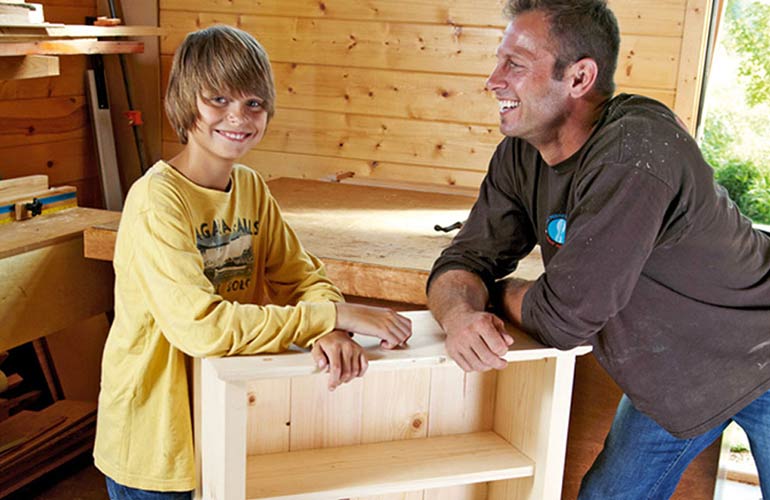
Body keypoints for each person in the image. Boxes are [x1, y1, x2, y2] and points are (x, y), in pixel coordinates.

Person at [426, 1, 770, 498]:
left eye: (515, 64)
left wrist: (496, 295)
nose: (493, 80)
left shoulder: (636, 149)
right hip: (671, 374)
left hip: (760, 349)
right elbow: (464, 261)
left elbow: (566, 317)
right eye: (499, 61)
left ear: (580, 77)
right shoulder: (522, 154)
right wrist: (459, 315)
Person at [93, 25, 412, 499]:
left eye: (253, 103)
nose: (237, 117)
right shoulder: (156, 201)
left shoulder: (249, 187)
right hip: (155, 444)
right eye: (218, 99)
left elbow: (303, 276)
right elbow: (201, 328)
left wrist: (328, 328)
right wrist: (332, 315)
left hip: (219, 421)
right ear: (185, 101)